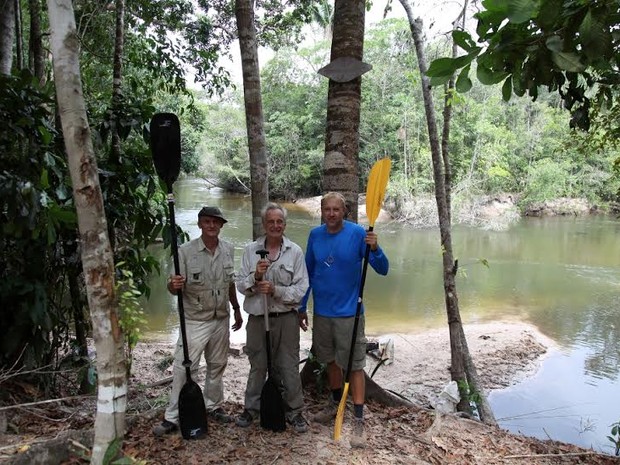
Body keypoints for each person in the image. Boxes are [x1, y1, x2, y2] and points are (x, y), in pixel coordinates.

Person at [299, 192, 389, 448]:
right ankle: (336, 403)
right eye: (326, 209)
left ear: (344, 211)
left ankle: (358, 419)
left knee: (355, 365)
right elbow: (309, 272)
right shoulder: (315, 235)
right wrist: (302, 305)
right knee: (330, 361)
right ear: (322, 211)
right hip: (323, 312)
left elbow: (383, 269)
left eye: (336, 209)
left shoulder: (359, 234)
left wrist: (375, 248)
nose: (331, 214)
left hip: (350, 313)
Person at [153, 206, 243, 437]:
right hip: (194, 320)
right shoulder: (184, 251)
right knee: (185, 368)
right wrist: (173, 286)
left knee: (217, 365)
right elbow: (173, 287)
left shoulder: (228, 249)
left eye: (216, 222)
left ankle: (213, 405)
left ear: (221, 225)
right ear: (200, 224)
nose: (211, 225)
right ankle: (172, 416)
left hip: (221, 318)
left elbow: (230, 283)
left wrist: (236, 308)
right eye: (207, 221)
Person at [235, 202, 309, 433]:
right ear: (264, 224)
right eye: (271, 222)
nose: (275, 225)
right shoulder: (250, 250)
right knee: (258, 365)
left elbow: (301, 288)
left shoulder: (294, 251)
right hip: (258, 318)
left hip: (286, 319)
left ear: (284, 225)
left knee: (288, 365)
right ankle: (252, 409)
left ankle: (294, 411)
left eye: (279, 222)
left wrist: (276, 290)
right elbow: (240, 284)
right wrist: (256, 277)